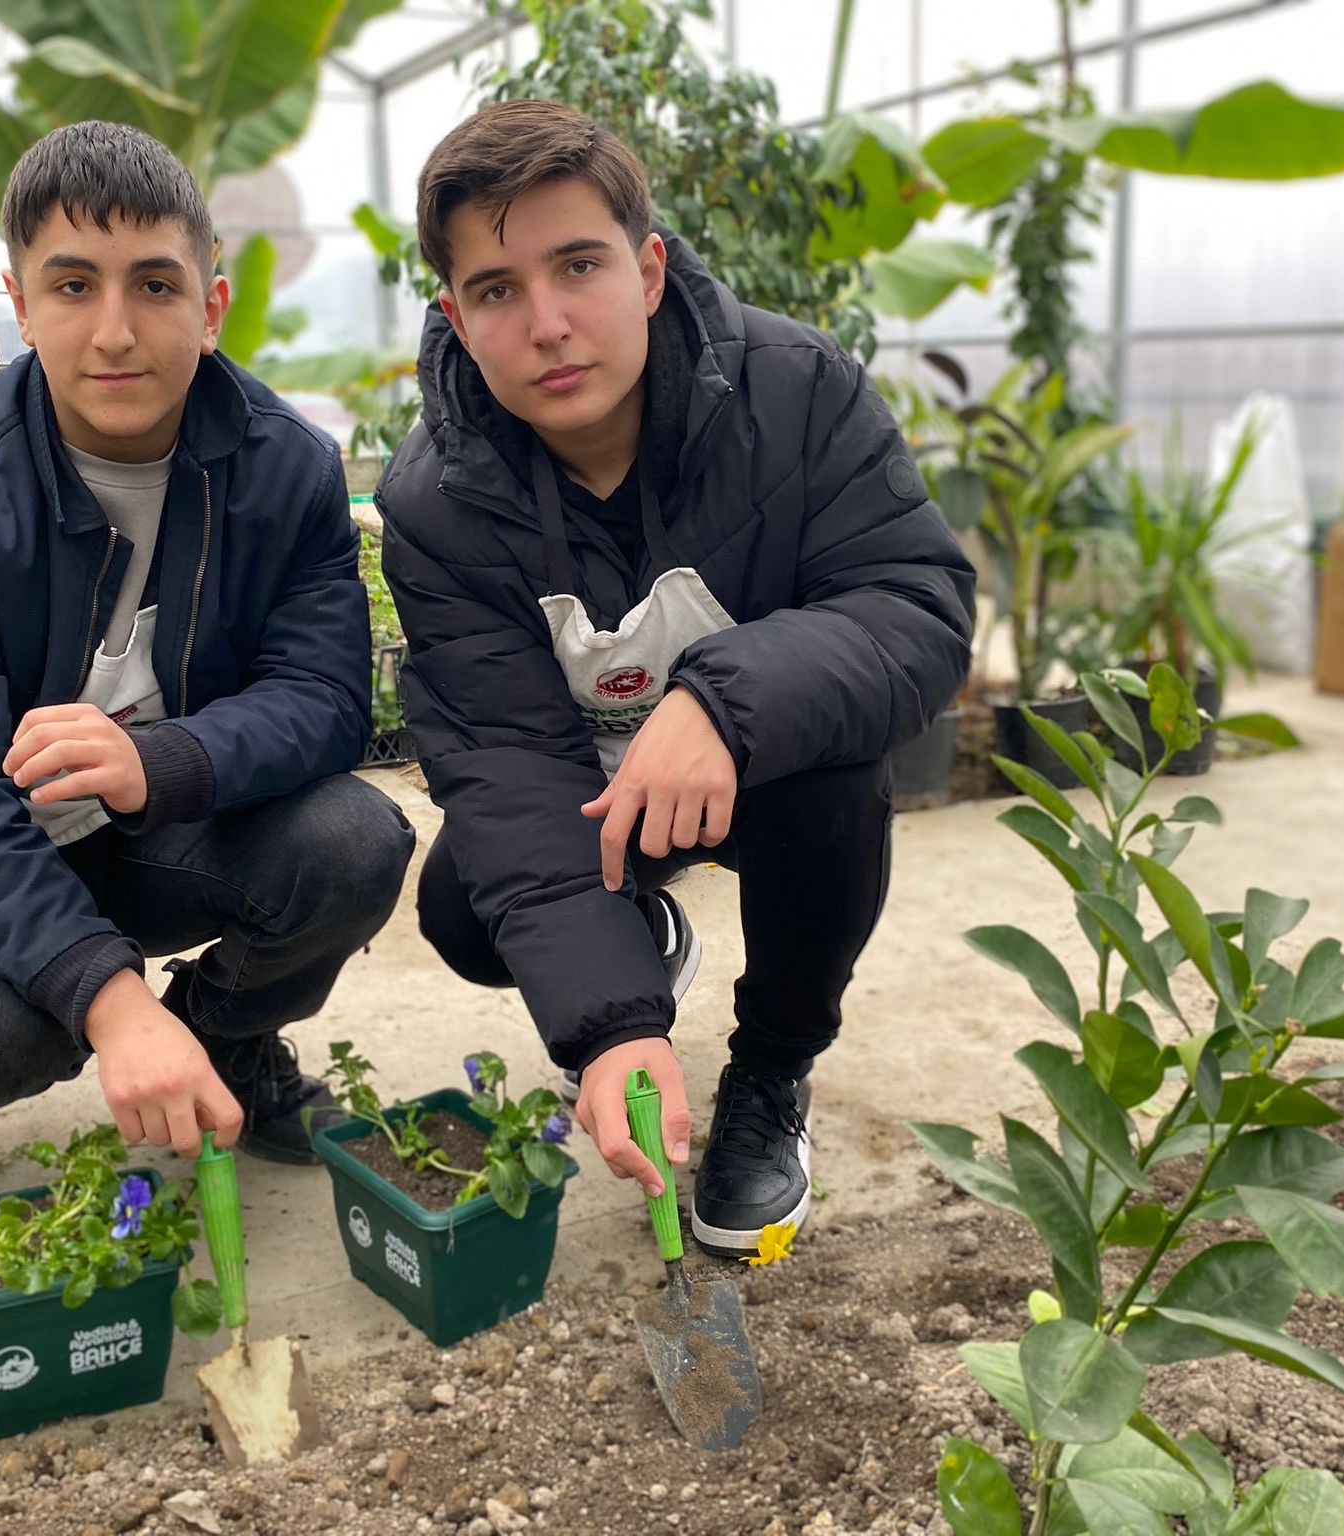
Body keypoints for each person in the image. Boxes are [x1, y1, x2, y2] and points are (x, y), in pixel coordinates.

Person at [0, 121, 416, 1237]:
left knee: (354, 842)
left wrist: (162, 760)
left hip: (155, 824)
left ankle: (224, 1037)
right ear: (21, 308)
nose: (116, 332)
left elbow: (323, 697)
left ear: (211, 308)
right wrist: (110, 1001)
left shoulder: (285, 468)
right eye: (73, 286)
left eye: (155, 286)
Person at [377, 102, 975, 1256]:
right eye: (496, 290)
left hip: (758, 775)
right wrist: (611, 1025)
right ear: (455, 317)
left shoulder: (798, 393)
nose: (547, 323)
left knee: (834, 782)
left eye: (579, 266)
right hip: (594, 797)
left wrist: (722, 703)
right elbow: (502, 764)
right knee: (463, 907)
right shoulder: (435, 504)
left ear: (646, 271)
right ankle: (639, 940)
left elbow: (913, 607)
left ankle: (771, 1072)